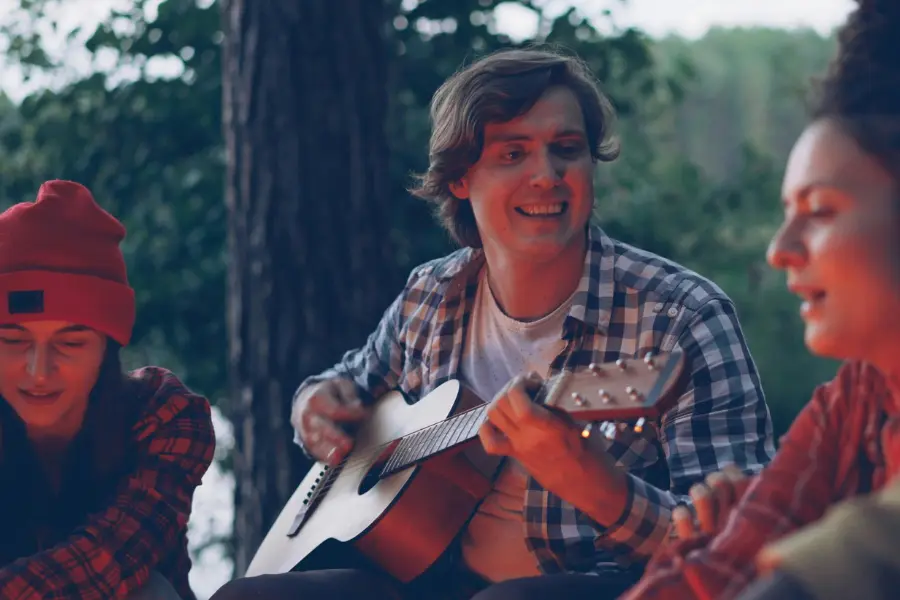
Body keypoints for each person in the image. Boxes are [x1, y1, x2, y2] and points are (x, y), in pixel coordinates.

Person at [210, 46, 774, 600]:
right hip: (425, 579)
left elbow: (741, 547)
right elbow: (344, 388)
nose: (547, 175)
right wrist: (312, 407)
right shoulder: (430, 296)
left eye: (567, 149)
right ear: (460, 179)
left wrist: (597, 486)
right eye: (513, 154)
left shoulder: (681, 317)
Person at [621, 1, 900, 598]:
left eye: (820, 211)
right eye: (786, 213)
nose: (779, 250)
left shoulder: (683, 310)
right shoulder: (854, 397)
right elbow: (724, 560)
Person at [0, 180, 216, 600]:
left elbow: (108, 560)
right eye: (12, 341)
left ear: (108, 347)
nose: (38, 371)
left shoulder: (165, 416)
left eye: (71, 343)